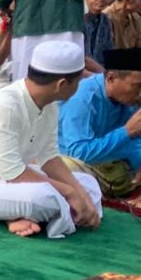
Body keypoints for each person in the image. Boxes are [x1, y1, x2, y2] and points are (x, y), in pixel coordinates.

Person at [0, 39, 102, 238]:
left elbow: (49, 157)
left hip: (7, 179)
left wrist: (81, 194)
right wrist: (69, 193)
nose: (81, 85)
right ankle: (21, 212)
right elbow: (13, 172)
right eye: (78, 81)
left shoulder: (49, 103)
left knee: (88, 184)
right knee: (44, 197)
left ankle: (18, 212)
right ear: (62, 84)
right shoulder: (5, 105)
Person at [56, 46, 141, 199]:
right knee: (71, 168)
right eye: (138, 86)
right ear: (111, 78)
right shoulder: (81, 99)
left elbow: (135, 144)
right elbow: (78, 153)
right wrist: (126, 132)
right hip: (69, 161)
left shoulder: (129, 100)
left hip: (106, 162)